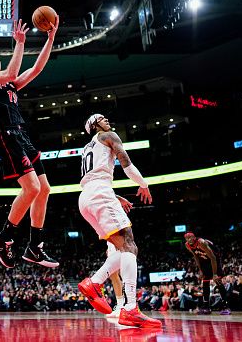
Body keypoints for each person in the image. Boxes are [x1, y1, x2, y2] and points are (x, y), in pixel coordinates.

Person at [0, 14, 59, 269]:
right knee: (32, 189)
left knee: (44, 189)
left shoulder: (10, 84)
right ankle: (3, 238)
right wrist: (20, 43)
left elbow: (36, 69)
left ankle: (35, 247)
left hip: (22, 134)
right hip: (6, 135)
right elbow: (12, 70)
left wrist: (51, 38)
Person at [76, 114, 162, 328]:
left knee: (121, 248)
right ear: (95, 126)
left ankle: (94, 283)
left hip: (86, 198)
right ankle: (130, 308)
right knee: (129, 246)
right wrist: (143, 183)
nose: (107, 120)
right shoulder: (107, 135)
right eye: (102, 118)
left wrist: (113, 196)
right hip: (100, 193)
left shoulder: (88, 147)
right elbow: (126, 163)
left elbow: (94, 178)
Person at [184, 232, 231, 315]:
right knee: (205, 282)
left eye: (191, 237)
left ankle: (225, 306)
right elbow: (196, 257)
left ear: (194, 237)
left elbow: (213, 257)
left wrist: (215, 274)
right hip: (204, 260)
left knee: (217, 281)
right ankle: (206, 307)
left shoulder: (201, 242)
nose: (189, 239)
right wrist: (200, 270)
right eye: (187, 238)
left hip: (214, 258)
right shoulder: (187, 245)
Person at [105, 194, 133, 319]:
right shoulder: (105, 210)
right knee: (113, 275)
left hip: (120, 241)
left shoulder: (117, 212)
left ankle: (129, 305)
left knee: (124, 274)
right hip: (111, 242)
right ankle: (120, 305)